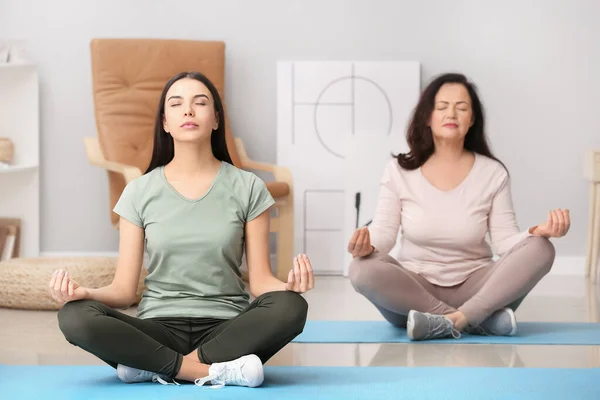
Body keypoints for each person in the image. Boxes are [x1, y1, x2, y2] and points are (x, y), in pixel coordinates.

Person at [49, 71, 314, 387]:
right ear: (165, 122)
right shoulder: (139, 191)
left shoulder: (249, 187)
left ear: (216, 119)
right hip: (158, 328)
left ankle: (153, 365)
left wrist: (290, 288)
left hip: (227, 330)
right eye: (177, 104)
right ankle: (212, 372)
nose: (188, 110)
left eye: (200, 103)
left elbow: (259, 282)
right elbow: (122, 291)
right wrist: (84, 294)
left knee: (291, 306)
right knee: (74, 316)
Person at [346, 72, 569, 341]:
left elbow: (506, 242)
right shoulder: (399, 171)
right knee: (360, 268)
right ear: (428, 117)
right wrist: (367, 247)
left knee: (541, 248)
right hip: (414, 293)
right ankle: (478, 321)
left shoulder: (492, 173)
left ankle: (453, 320)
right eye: (442, 107)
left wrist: (538, 231)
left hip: (478, 288)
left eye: (461, 108)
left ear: (471, 120)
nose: (451, 113)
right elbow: (384, 233)